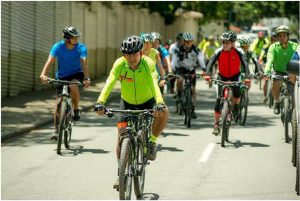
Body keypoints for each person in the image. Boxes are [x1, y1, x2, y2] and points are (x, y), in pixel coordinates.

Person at [95, 35, 169, 188]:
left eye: (135, 53)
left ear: (140, 53)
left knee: (164, 112)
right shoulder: (120, 64)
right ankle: (120, 173)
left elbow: (154, 84)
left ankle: (152, 142)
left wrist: (159, 102)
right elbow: (110, 82)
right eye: (128, 54)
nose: (131, 57)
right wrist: (100, 102)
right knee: (121, 138)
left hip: (147, 101)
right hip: (126, 103)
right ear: (123, 54)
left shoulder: (147, 63)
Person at [40, 26, 91, 138]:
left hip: (76, 74)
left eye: (77, 37)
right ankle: (56, 131)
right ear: (67, 38)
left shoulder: (81, 48)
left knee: (73, 86)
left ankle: (76, 108)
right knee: (58, 104)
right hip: (62, 76)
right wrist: (43, 74)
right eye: (74, 37)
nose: (77, 39)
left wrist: (87, 78)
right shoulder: (58, 47)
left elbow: (83, 63)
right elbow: (50, 60)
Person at [204, 31, 251, 135]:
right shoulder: (218, 51)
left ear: (233, 43)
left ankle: (235, 108)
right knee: (218, 100)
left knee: (237, 94)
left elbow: (245, 64)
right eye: (223, 42)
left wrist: (247, 77)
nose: (224, 44)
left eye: (227, 43)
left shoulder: (239, 51)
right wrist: (207, 74)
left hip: (235, 76)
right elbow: (211, 62)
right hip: (222, 76)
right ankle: (216, 124)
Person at [264, 25, 299, 114]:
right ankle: (277, 102)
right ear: (277, 37)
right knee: (275, 84)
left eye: (284, 35)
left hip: (292, 71)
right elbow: (270, 60)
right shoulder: (273, 47)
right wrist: (267, 71)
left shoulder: (295, 46)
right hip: (278, 71)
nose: (282, 38)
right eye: (280, 36)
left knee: (293, 90)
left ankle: (294, 111)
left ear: (288, 36)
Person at [171, 32, 206, 119]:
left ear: (192, 42)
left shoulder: (196, 49)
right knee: (180, 80)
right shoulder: (178, 49)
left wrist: (204, 69)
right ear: (184, 41)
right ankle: (179, 94)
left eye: (190, 42)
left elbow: (200, 59)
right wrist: (172, 69)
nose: (188, 43)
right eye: (186, 42)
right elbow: (174, 60)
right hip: (181, 69)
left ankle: (193, 109)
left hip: (191, 70)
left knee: (193, 89)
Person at [258, 32, 278, 103]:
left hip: (276, 66)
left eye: (275, 40)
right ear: (270, 40)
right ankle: (265, 96)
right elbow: (261, 57)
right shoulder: (266, 47)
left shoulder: (279, 47)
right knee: (266, 80)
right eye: (272, 39)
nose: (273, 41)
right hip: (266, 65)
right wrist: (261, 61)